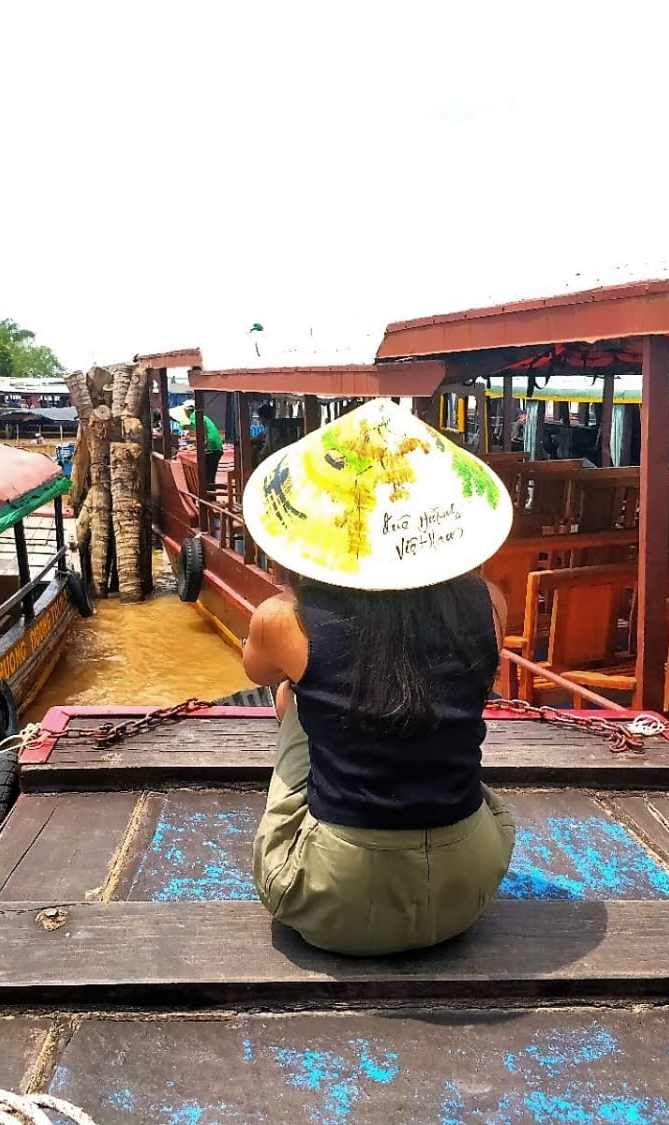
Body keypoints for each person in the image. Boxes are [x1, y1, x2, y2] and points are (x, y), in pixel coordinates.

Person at [238, 397, 517, 957]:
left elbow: (257, 671)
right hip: (471, 882)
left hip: (331, 899)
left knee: (292, 693)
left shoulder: (285, 620)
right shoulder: (489, 604)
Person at [184, 401, 223, 492]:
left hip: (211, 448)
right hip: (216, 447)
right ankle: (211, 499)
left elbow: (202, 427)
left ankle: (209, 499)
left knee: (206, 476)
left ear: (187, 410)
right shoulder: (203, 417)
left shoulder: (195, 415)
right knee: (210, 475)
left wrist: (204, 440)